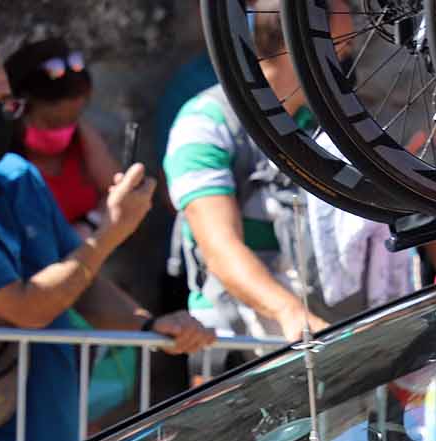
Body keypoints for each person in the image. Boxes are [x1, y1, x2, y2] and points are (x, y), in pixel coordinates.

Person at [0, 31, 215, 441]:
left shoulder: (19, 176)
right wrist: (108, 234)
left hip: (54, 439)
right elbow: (28, 310)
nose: (1, 116)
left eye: (8, 103)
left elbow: (84, 283)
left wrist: (150, 327)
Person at [163, 2, 417, 371]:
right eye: (343, 38)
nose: (352, 46)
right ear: (304, 36)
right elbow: (219, 247)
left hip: (326, 349)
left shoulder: (324, 122)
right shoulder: (205, 122)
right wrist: (289, 313)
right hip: (243, 354)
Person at [4, 38, 118, 236]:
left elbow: (116, 191)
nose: (64, 129)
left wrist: (90, 223)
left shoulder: (82, 140)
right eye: (53, 123)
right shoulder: (0, 165)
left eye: (73, 119)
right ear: (16, 109)